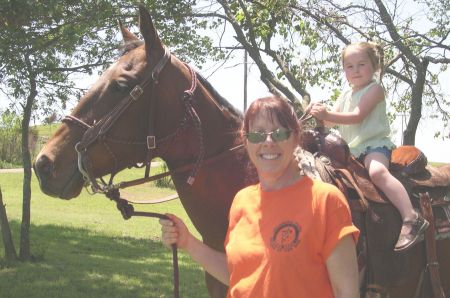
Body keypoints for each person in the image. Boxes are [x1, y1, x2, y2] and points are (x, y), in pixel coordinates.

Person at [160, 96, 360, 297]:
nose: (268, 142)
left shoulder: (326, 201)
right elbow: (239, 273)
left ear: (296, 137)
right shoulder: (241, 201)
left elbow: (346, 291)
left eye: (280, 133)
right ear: (246, 142)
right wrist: (187, 242)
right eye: (257, 135)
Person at [306, 41, 429, 252]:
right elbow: (330, 122)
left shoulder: (375, 89)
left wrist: (326, 114)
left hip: (373, 146)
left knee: (378, 172)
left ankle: (411, 217)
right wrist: (316, 115)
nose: (355, 70)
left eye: (361, 64)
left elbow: (357, 116)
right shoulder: (345, 94)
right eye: (349, 66)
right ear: (344, 70)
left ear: (374, 66)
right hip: (350, 151)